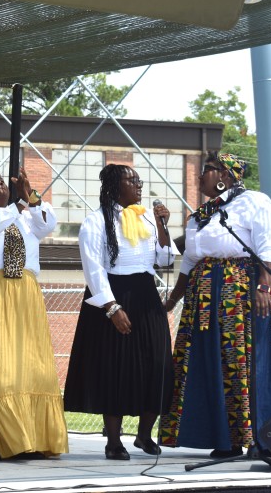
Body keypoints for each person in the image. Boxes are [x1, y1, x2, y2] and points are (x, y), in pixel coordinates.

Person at [159, 151, 271, 458]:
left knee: (245, 362)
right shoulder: (200, 216)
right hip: (203, 298)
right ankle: (225, 438)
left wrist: (263, 287)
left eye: (207, 170)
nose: (200, 175)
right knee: (209, 362)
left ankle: (262, 439)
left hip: (242, 293)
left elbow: (269, 246)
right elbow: (189, 261)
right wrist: (173, 299)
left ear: (225, 176)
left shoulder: (255, 202)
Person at [0, 162, 68, 460]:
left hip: (25, 291)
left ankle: (34, 437)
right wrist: (16, 206)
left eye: (0, 181)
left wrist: (30, 195)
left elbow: (47, 225)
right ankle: (3, 440)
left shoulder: (22, 215)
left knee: (33, 368)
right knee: (1, 370)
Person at [64, 164, 174, 460]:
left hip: (145, 292)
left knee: (158, 363)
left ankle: (144, 435)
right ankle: (114, 441)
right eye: (131, 180)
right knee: (115, 367)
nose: (139, 184)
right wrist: (111, 307)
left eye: (139, 180)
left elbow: (165, 259)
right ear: (115, 186)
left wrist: (163, 225)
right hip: (114, 295)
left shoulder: (149, 218)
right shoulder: (96, 221)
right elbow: (93, 267)